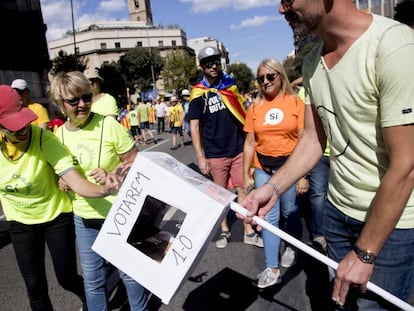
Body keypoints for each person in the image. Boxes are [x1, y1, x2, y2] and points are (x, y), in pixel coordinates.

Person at [240, 1, 414, 310]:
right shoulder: (312, 62)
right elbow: (311, 140)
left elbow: (406, 164)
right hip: (337, 215)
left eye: (288, 0)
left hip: (391, 227)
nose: (282, 10)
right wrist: (271, 188)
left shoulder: (394, 46)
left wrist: (365, 252)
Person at [0, 85, 120, 311]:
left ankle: (91, 297)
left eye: (24, 121)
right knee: (35, 288)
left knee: (65, 278)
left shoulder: (44, 139)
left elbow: (76, 182)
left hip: (55, 216)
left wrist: (105, 190)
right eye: (14, 127)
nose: (23, 129)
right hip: (20, 221)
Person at [49, 71, 149, 311]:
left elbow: (135, 160)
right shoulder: (59, 134)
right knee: (93, 282)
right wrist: (61, 181)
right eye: (74, 101)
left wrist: (115, 172)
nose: (82, 104)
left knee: (129, 275)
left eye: (86, 97)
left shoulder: (108, 125)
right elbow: (61, 171)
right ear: (60, 103)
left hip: (118, 213)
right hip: (83, 217)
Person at [188, 46, 263, 249]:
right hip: (215, 153)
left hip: (238, 148)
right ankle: (224, 230)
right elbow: (194, 126)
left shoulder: (230, 85)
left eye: (215, 61)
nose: (213, 66)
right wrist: (200, 156)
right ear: (202, 66)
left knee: (244, 188)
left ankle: (248, 231)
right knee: (220, 195)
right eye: (208, 63)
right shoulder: (197, 93)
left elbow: (242, 115)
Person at [243, 58, 305, 288]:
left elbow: (303, 139)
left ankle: (291, 245)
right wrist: (243, 179)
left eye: (270, 76)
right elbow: (249, 143)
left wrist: (302, 175)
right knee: (269, 218)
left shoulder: (295, 103)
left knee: (290, 211)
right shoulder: (255, 107)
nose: (266, 81)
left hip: (289, 169)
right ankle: (271, 267)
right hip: (263, 169)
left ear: (280, 76)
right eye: (261, 78)